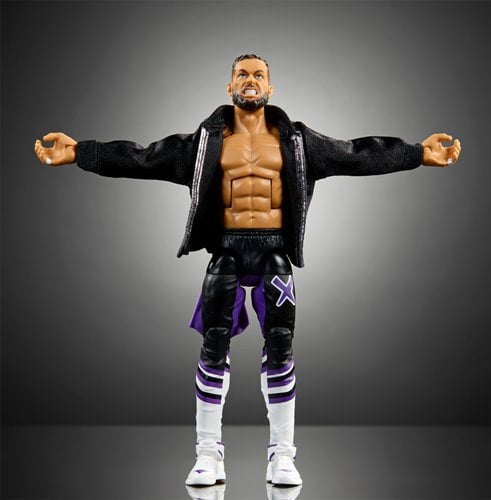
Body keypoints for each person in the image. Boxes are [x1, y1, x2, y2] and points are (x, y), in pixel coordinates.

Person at [34, 54, 461, 488]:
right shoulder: (205, 143)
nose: (250, 80)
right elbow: (143, 158)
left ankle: (282, 454)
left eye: (259, 75)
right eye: (242, 74)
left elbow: (354, 154)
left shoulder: (297, 141)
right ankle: (207, 452)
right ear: (230, 86)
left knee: (280, 347)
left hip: (274, 251)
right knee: (213, 346)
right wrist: (80, 152)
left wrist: (417, 154)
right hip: (227, 251)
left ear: (270, 88)